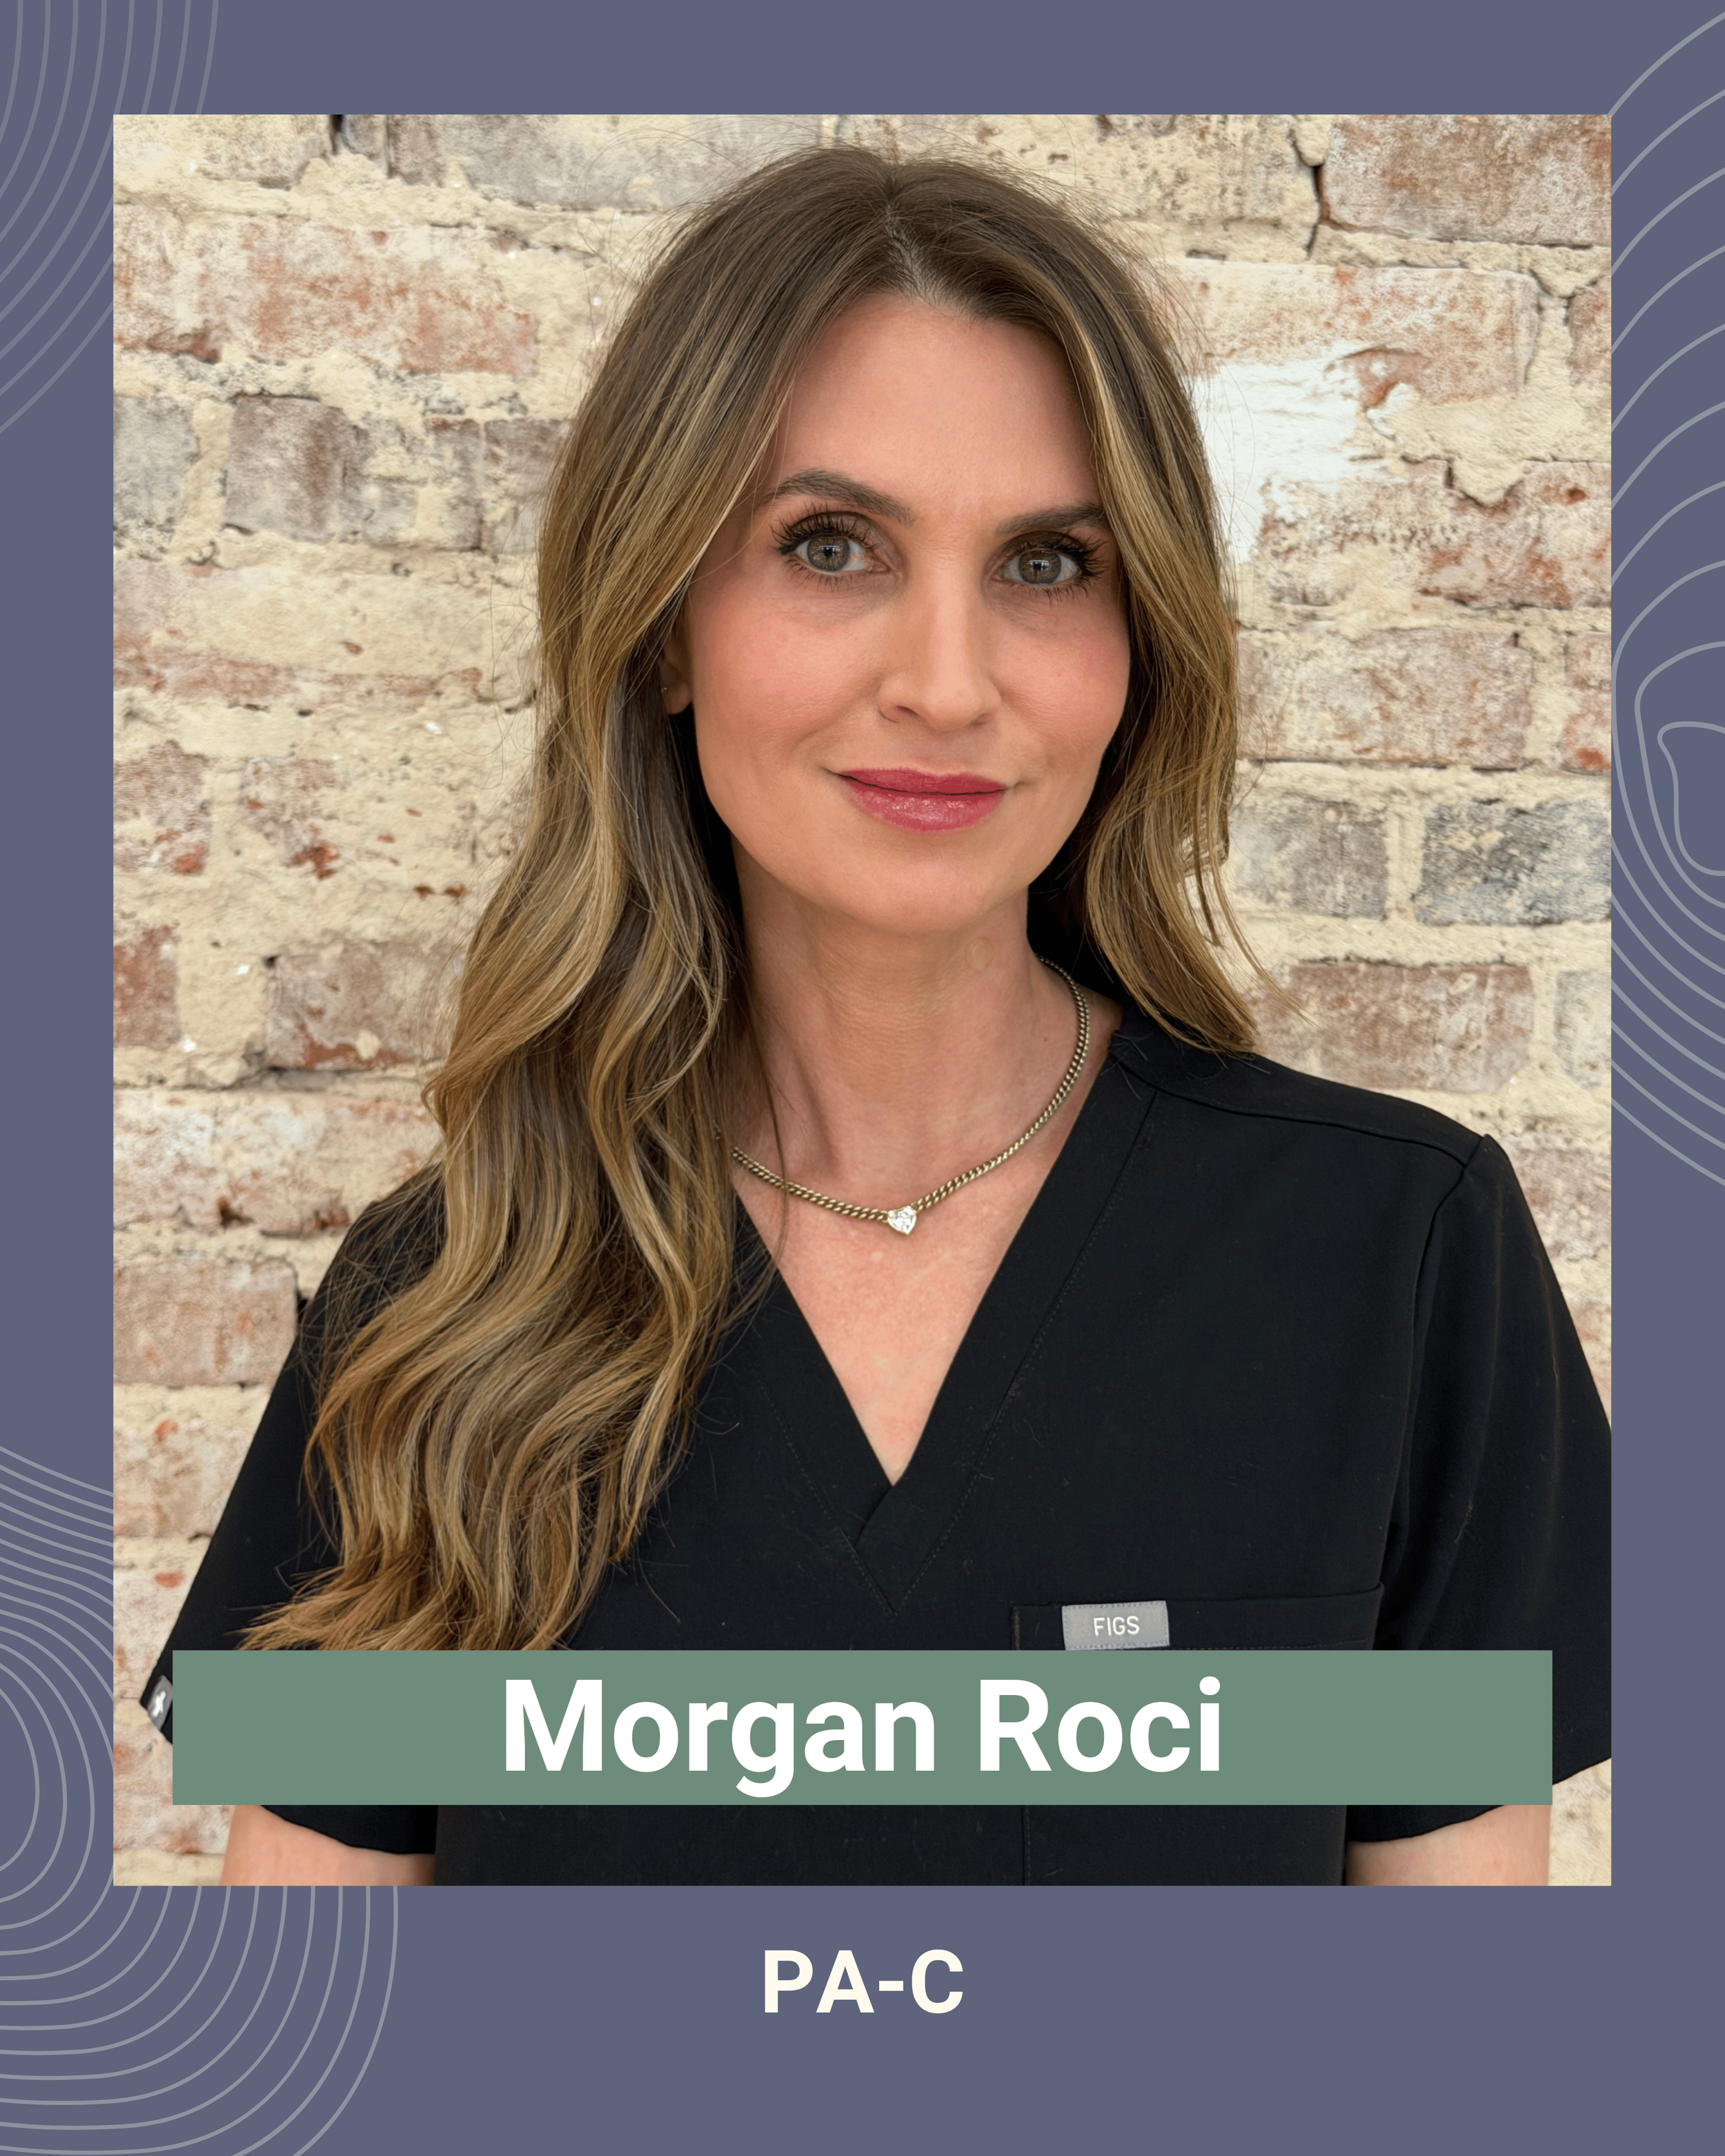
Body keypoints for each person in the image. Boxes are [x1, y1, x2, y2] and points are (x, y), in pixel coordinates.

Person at [142, 146, 1608, 1887]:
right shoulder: (440, 1304)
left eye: (1045, 562)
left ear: (1138, 639)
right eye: (828, 545)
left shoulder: (1397, 1256)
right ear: (664, 625)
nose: (944, 680)